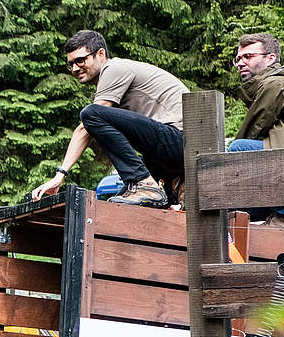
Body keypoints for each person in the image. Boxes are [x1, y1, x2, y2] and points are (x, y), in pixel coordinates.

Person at [33, 30, 190, 208]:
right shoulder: (114, 80)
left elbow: (86, 127)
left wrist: (60, 175)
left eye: (80, 60)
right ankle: (156, 190)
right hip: (167, 151)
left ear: (100, 54)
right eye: (71, 64)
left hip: (181, 143)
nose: (75, 68)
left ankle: (144, 184)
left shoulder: (115, 68)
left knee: (91, 114)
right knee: (120, 204)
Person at [228, 32, 284, 228]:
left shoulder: (275, 84)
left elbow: (254, 128)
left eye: (248, 56)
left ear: (270, 58)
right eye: (238, 58)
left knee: (237, 149)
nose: (240, 62)